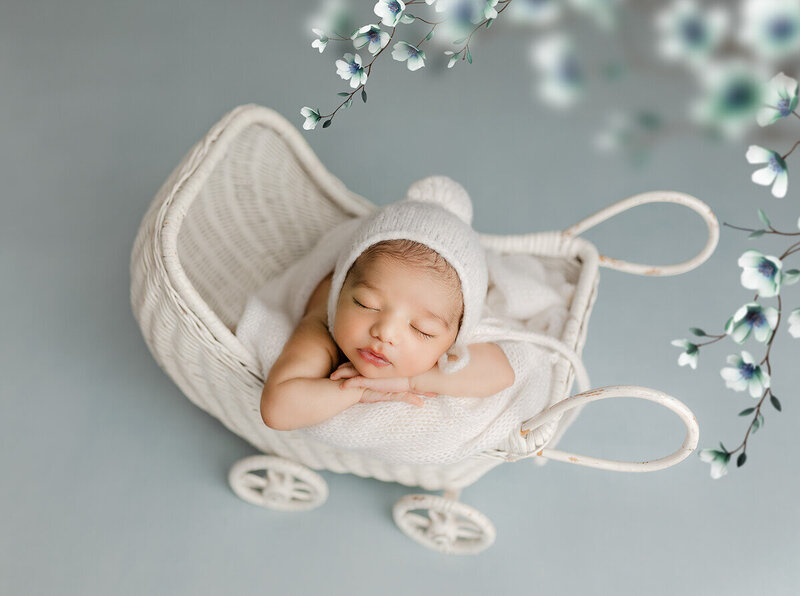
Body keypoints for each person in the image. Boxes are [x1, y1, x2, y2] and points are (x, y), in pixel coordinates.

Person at [259, 176, 515, 431]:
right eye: (366, 304)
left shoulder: (447, 314)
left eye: (421, 329)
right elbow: (277, 409)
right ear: (340, 292)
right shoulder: (325, 324)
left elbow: (503, 373)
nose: (385, 333)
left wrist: (410, 381)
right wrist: (358, 390)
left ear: (455, 340)